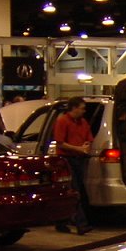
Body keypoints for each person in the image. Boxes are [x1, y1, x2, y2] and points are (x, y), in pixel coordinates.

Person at [53, 97, 94, 235]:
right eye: (82, 108)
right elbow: (60, 143)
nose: (84, 111)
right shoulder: (62, 121)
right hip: (67, 159)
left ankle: (61, 221)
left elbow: (89, 137)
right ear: (74, 108)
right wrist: (78, 149)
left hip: (79, 159)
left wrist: (87, 145)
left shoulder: (83, 122)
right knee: (75, 190)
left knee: (75, 190)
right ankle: (81, 224)